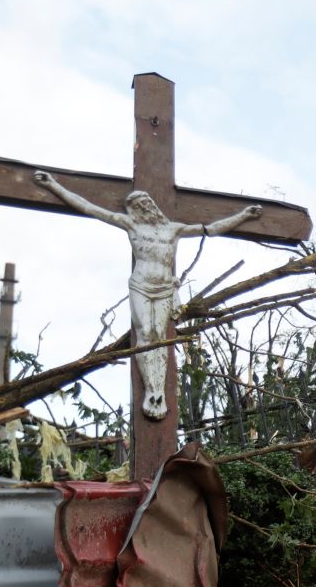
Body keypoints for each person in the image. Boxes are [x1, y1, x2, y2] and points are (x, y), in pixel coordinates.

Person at [32, 170, 261, 421]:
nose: (142, 208)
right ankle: (150, 390)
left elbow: (212, 229)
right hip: (141, 285)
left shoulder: (173, 230)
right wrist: (54, 186)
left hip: (164, 287)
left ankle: (158, 392)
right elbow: (89, 207)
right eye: (136, 206)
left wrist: (243, 216)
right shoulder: (131, 225)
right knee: (145, 334)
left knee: (160, 338)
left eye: (144, 204)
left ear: (151, 205)